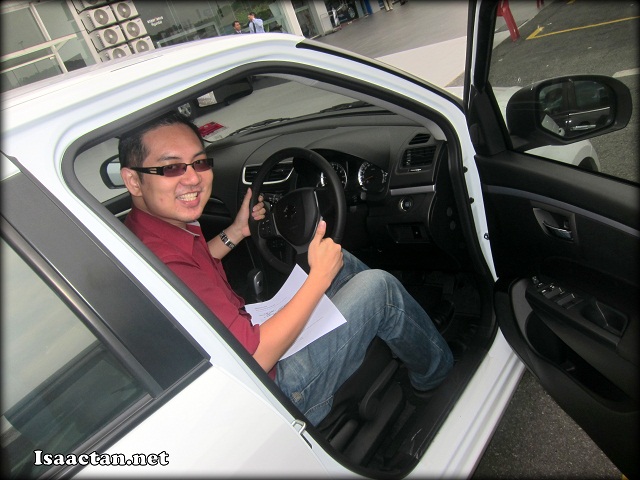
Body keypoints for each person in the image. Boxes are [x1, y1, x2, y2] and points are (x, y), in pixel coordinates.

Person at [118, 112, 453, 426]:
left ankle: (404, 328)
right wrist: (318, 279)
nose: (192, 178)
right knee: (379, 287)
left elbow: (195, 266)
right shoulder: (163, 254)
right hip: (276, 390)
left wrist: (237, 231)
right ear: (133, 180)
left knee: (344, 264)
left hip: (239, 343)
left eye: (199, 162)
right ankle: (435, 380)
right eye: (172, 168)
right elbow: (259, 358)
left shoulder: (149, 229)